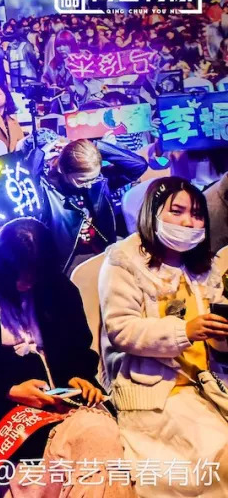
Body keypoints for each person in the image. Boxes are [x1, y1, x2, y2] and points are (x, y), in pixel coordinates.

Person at [0, 219, 129, 498]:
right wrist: (9, 390)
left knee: (100, 440)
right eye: (20, 274)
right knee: (43, 469)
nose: (28, 282)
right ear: (1, 265)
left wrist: (80, 377)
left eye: (35, 274)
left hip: (62, 397)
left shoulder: (58, 287)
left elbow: (79, 348)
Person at [100, 177, 228, 497]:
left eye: (196, 214)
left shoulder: (202, 266)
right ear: (152, 212)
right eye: (177, 211)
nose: (188, 222)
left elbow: (214, 334)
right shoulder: (124, 260)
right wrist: (185, 331)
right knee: (212, 458)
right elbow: (121, 329)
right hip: (158, 392)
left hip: (208, 384)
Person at [37, 138, 146, 274]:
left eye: (93, 178)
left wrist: (94, 150)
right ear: (63, 169)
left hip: (103, 249)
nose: (89, 185)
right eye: (81, 180)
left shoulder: (99, 182)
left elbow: (139, 165)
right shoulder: (46, 189)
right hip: (70, 260)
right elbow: (21, 178)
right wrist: (39, 155)